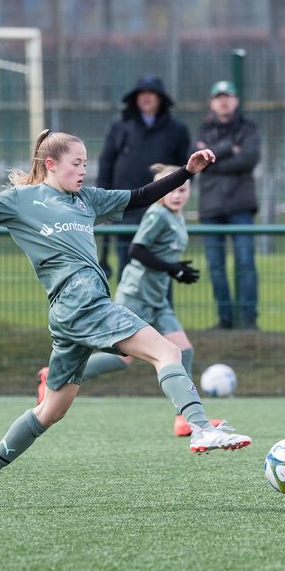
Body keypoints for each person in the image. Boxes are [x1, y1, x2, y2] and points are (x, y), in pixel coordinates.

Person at [0, 130, 252, 507]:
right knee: (168, 353)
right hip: (80, 302)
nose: (83, 171)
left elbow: (141, 196)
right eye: (76, 164)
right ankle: (201, 428)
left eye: (86, 164)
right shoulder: (21, 201)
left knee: (51, 410)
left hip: (71, 313)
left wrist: (187, 172)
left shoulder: (87, 199)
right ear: (50, 164)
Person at [75, 163, 214, 437]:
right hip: (136, 296)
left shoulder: (178, 216)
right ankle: (58, 375)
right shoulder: (158, 214)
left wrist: (176, 267)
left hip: (157, 299)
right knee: (122, 360)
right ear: (161, 193)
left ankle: (183, 419)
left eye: (183, 189)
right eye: (172, 189)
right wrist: (172, 268)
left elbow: (161, 254)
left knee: (184, 351)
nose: (177, 194)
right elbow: (137, 251)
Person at [97, 75, 191, 277]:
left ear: (160, 99)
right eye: (142, 93)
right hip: (125, 208)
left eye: (152, 94)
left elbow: (186, 169)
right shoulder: (120, 127)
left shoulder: (177, 130)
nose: (146, 98)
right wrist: (102, 204)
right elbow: (106, 164)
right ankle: (127, 309)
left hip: (160, 209)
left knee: (163, 265)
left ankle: (162, 308)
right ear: (135, 98)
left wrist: (178, 197)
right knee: (127, 266)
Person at [194, 80, 260, 329]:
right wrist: (229, 149)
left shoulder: (248, 128)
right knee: (216, 266)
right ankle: (225, 319)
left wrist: (213, 159)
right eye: (218, 96)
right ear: (211, 102)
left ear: (236, 100)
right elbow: (197, 161)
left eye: (228, 95)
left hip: (241, 206)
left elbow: (250, 158)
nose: (223, 100)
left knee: (245, 262)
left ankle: (248, 319)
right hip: (211, 208)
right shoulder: (203, 130)